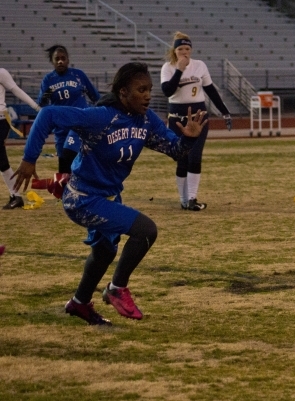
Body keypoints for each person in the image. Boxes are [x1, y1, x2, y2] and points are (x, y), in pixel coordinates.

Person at [13, 62, 207, 326]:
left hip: (109, 196)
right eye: (141, 89)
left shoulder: (147, 120)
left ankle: (79, 304)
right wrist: (29, 158)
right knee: (146, 230)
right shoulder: (101, 116)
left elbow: (175, 151)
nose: (148, 95)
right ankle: (116, 288)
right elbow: (47, 114)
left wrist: (189, 139)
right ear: (123, 93)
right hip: (82, 198)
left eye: (150, 89)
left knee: (105, 251)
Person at [161, 31, 232, 211]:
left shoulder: (200, 65)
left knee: (195, 156)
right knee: (182, 158)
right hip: (178, 118)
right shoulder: (168, 68)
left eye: (187, 48)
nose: (185, 52)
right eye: (181, 49)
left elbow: (211, 91)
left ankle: (192, 198)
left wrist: (225, 112)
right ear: (175, 51)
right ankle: (183, 199)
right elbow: (168, 91)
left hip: (199, 117)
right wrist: (180, 70)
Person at [37, 45, 101, 174]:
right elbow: (42, 104)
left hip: (78, 125)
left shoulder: (78, 75)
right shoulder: (48, 80)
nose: (60, 61)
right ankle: (67, 192)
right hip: (60, 127)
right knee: (64, 168)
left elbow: (95, 97)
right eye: (57, 59)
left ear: (68, 60)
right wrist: (46, 94)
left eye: (63, 58)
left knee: (71, 157)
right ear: (52, 61)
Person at [0, 68, 41, 209]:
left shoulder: (1, 72)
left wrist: (36, 107)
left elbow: (17, 90)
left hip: (1, 120)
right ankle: (16, 196)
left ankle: (16, 196)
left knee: (1, 160)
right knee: (2, 162)